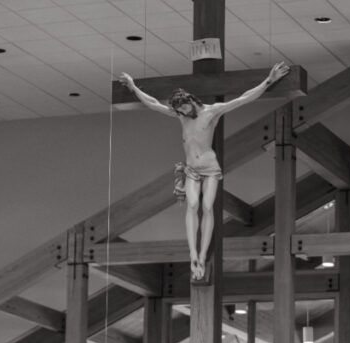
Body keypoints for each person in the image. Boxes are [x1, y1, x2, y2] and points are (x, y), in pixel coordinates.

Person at [119, 62, 290, 280]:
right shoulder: (182, 116)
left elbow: (244, 98)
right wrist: (133, 87)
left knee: (207, 207)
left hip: (209, 168)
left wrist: (269, 80)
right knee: (192, 205)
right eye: (179, 111)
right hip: (191, 168)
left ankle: (202, 252)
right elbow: (154, 104)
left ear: (190, 101)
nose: (182, 113)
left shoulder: (212, 112)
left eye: (184, 108)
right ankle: (193, 254)